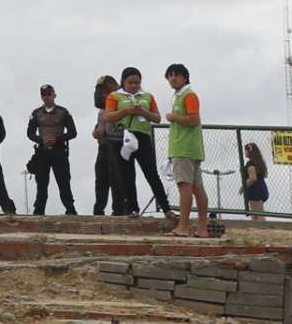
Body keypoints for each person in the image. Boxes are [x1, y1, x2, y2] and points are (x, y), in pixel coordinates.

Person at [105, 68, 172, 221]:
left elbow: (157, 118)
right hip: (124, 138)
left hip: (143, 137)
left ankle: (166, 208)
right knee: (127, 175)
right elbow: (108, 116)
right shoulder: (114, 96)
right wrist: (127, 111)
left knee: (151, 174)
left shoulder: (147, 96)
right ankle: (133, 208)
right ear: (123, 82)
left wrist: (143, 112)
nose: (134, 85)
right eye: (130, 82)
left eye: (137, 82)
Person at [159, 64, 209, 239]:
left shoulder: (188, 95)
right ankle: (202, 229)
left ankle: (183, 227)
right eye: (170, 75)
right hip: (190, 148)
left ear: (185, 77)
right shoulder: (181, 95)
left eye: (176, 75)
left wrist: (174, 117)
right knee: (197, 187)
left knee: (185, 187)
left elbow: (194, 119)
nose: (173, 78)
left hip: (184, 147)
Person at [25, 85, 77, 215]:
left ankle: (70, 210)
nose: (46, 97)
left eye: (49, 94)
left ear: (54, 95)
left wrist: (58, 139)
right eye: (44, 95)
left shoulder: (63, 112)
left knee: (63, 181)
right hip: (42, 151)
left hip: (59, 151)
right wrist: (41, 140)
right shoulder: (36, 113)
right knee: (41, 183)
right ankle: (39, 211)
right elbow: (30, 133)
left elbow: (73, 132)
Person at [87, 75, 128, 215]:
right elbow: (99, 125)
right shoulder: (103, 107)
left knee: (117, 179)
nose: (100, 93)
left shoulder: (121, 101)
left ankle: (119, 210)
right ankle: (99, 210)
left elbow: (126, 125)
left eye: (102, 89)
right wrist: (96, 131)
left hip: (117, 145)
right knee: (101, 180)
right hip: (103, 147)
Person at [240, 141, 270, 223]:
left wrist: (243, 187)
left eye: (245, 150)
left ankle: (262, 229)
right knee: (256, 213)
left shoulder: (250, 164)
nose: (244, 152)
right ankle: (256, 228)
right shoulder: (259, 162)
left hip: (255, 191)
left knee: (258, 214)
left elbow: (252, 178)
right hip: (261, 188)